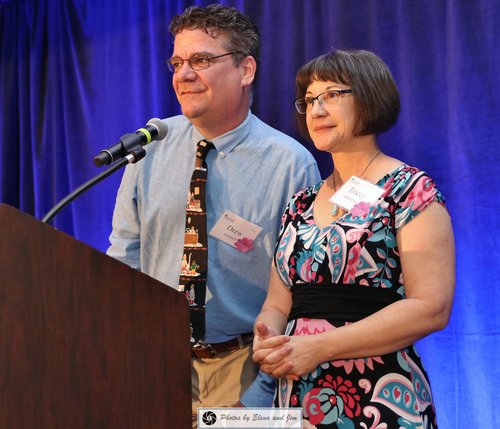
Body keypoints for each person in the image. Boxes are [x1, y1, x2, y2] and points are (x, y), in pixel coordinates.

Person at [106, 3, 320, 425]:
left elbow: (302, 292)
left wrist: (260, 393)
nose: (183, 75)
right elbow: (124, 259)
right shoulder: (149, 148)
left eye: (201, 60)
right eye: (177, 62)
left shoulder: (291, 165)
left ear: (246, 70)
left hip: (244, 370)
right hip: (154, 364)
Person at [252, 49, 455, 428]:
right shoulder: (299, 204)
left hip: (379, 397)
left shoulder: (410, 190)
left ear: (369, 96)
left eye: (331, 95)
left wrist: (319, 347)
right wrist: (268, 336)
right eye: (310, 100)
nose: (316, 110)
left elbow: (431, 306)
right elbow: (278, 305)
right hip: (298, 400)